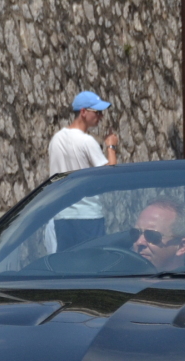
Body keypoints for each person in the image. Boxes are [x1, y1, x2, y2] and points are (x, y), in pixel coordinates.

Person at [47, 91, 119, 251]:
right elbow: (110, 172)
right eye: (97, 112)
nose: (100, 116)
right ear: (83, 112)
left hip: (62, 215)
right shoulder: (86, 141)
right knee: (93, 265)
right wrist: (111, 146)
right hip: (87, 215)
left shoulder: (56, 139)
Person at [131, 197, 185, 272]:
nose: (139, 242)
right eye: (135, 233)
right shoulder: (120, 279)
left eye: (151, 235)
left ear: (182, 246)